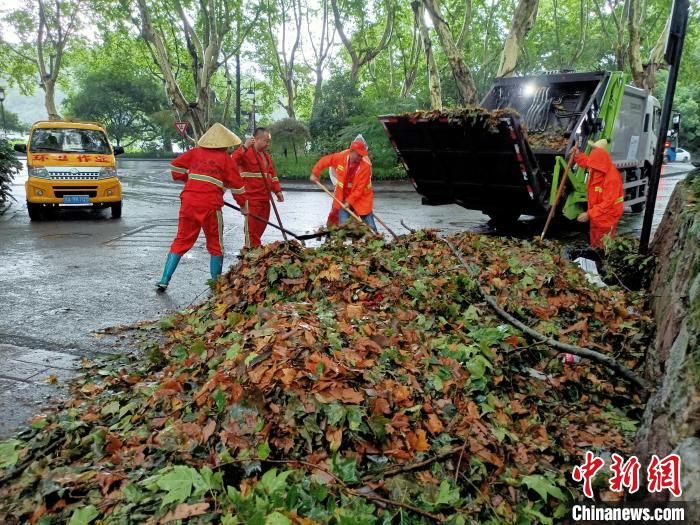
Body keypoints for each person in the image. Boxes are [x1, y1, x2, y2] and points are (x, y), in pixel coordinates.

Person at [156, 123, 246, 291]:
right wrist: (243, 206)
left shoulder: (194, 153)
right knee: (215, 244)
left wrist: (188, 179)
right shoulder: (226, 160)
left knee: (181, 240)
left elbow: (175, 166)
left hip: (189, 202)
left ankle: (164, 279)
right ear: (225, 144)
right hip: (210, 205)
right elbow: (238, 186)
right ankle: (217, 284)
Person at [231, 127, 284, 248]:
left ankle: (255, 248)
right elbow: (231, 162)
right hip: (251, 199)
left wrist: (278, 191)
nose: (268, 144)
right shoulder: (246, 152)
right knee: (251, 230)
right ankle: (250, 252)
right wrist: (244, 147)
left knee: (261, 226)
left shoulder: (266, 156)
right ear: (256, 139)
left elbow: (272, 174)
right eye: (266, 141)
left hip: (265, 199)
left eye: (269, 141)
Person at [309, 137, 376, 231]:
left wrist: (349, 201)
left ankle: (374, 239)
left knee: (371, 226)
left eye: (362, 155)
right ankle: (339, 242)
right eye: (359, 155)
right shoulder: (341, 157)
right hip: (343, 197)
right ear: (351, 151)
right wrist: (315, 173)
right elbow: (325, 161)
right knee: (343, 227)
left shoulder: (366, 166)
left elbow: (359, 189)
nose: (361, 157)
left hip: (361, 198)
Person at [572, 138, 624, 248]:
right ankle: (596, 254)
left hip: (608, 215)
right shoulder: (597, 166)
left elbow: (608, 203)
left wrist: (588, 214)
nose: (591, 169)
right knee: (595, 238)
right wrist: (577, 155)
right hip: (597, 213)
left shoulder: (612, 178)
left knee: (604, 242)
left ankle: (602, 259)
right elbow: (587, 162)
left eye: (594, 167)